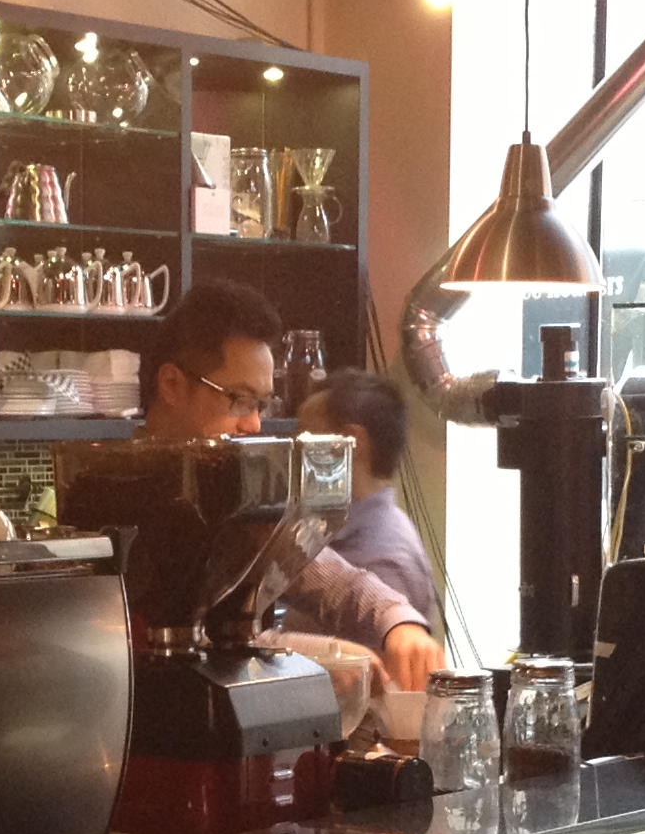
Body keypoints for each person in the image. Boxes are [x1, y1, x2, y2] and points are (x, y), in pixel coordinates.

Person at [139, 281, 445, 686]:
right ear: (172, 384)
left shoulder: (227, 492)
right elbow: (178, 646)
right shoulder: (112, 496)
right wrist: (318, 656)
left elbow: (328, 576)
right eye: (239, 399)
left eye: (261, 404)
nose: (254, 424)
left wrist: (398, 622)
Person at [291, 369, 436, 633]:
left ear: (351, 440)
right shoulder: (333, 530)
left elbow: (371, 662)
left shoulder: (383, 558)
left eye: (305, 436)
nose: (294, 450)